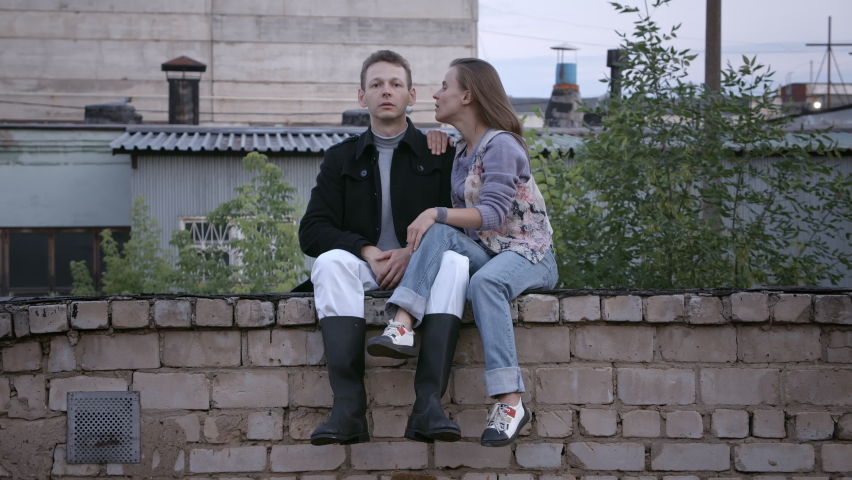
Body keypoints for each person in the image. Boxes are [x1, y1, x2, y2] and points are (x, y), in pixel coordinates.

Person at [367, 58, 558, 447]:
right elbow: (428, 140)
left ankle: (510, 401)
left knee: (485, 281)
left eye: (443, 86)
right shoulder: (461, 148)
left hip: (529, 256)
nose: (435, 94)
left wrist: (435, 211)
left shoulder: (503, 145)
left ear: (467, 95)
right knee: (441, 232)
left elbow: (491, 215)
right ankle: (401, 323)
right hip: (491, 252)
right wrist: (436, 135)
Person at [298, 50, 469, 446]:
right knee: (329, 263)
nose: (385, 92)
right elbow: (311, 230)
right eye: (376, 85)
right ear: (362, 97)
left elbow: (460, 222)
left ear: (412, 95)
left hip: (423, 270)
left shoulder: (439, 152)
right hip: (367, 271)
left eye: (395, 84)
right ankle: (348, 411)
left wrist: (415, 251)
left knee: (456, 263)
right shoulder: (341, 158)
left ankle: (428, 406)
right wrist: (366, 250)